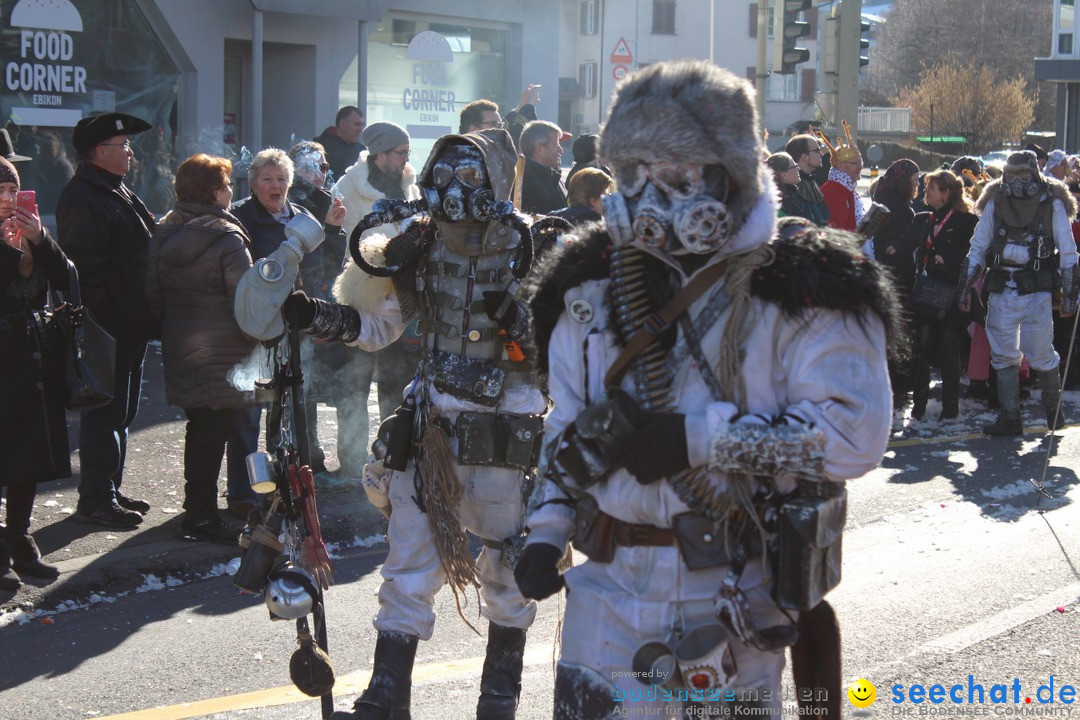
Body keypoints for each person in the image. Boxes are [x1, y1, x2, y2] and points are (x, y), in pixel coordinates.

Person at [515, 60, 898, 718]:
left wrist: (701, 440)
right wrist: (547, 530)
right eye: (634, 169)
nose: (653, 191)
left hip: (731, 593)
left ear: (731, 172)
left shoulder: (803, 288)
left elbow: (853, 438)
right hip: (605, 587)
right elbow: (567, 426)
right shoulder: (585, 287)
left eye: (677, 169)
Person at [278, 128, 546, 720]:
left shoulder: (532, 248)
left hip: (506, 430)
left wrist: (522, 326)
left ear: (495, 182)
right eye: (443, 177)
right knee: (406, 566)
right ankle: (386, 696)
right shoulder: (419, 248)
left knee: (507, 567)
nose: (453, 191)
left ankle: (499, 695)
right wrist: (322, 316)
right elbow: (380, 327)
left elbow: (565, 351)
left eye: (469, 178)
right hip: (431, 429)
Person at [147, 154, 257, 542]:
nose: (231, 191)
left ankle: (197, 508)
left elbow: (153, 295)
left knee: (200, 428)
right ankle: (201, 515)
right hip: (224, 349)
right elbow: (246, 300)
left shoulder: (163, 232)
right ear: (214, 191)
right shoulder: (226, 238)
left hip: (183, 344)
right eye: (227, 185)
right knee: (214, 431)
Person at [229, 148, 345, 513]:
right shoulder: (240, 218)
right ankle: (245, 494)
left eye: (281, 179)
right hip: (255, 331)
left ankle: (289, 485)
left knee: (293, 409)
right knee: (249, 413)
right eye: (267, 179)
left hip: (297, 329)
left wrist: (333, 231)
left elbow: (324, 266)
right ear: (253, 184)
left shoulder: (302, 216)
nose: (275, 186)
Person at [56, 112, 156, 528]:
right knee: (104, 415)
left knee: (122, 414)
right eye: (123, 146)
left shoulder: (113, 188)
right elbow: (86, 270)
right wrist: (109, 324)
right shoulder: (84, 195)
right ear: (100, 152)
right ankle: (95, 498)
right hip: (110, 327)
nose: (130, 152)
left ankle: (108, 488)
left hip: (130, 324)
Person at [959, 150, 1079, 435]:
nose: (1016, 183)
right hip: (1002, 286)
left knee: (1039, 353)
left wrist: (1070, 295)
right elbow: (978, 246)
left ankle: (1053, 411)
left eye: (1022, 177)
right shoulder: (996, 199)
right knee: (1002, 354)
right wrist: (964, 288)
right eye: (1011, 177)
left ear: (1034, 174)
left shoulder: (1052, 201)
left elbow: (1068, 251)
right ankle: (1010, 417)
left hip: (1036, 289)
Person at [330, 122, 422, 486]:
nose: (405, 160)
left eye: (407, 153)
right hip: (358, 296)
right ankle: (351, 462)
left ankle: (390, 457)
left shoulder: (408, 186)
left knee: (397, 382)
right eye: (400, 153)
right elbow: (336, 240)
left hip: (400, 297)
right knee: (354, 383)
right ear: (379, 152)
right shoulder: (346, 189)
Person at [0, 155, 68, 590]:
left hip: (30, 360)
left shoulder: (29, 234)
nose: (8, 200)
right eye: (1, 192)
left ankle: (19, 539)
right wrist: (10, 252)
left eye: (12, 192)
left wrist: (39, 239)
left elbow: (65, 276)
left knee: (26, 459)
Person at [287, 140, 348, 477]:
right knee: (300, 388)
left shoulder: (323, 200)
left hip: (318, 305)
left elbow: (330, 262)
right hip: (298, 305)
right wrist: (328, 226)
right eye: (315, 166)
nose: (322, 173)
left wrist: (335, 228)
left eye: (325, 167)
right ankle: (303, 458)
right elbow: (308, 257)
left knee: (311, 387)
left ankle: (311, 456)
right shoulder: (298, 200)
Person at [908, 169, 978, 420]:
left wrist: (948, 258)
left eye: (931, 189)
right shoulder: (925, 219)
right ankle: (918, 407)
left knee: (949, 352)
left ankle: (950, 408)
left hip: (949, 292)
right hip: (926, 291)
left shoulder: (965, 221)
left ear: (946, 193)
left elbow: (974, 256)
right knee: (921, 350)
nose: (925, 193)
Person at [818, 121, 864, 232]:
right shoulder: (830, 191)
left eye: (861, 162)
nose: (860, 167)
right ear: (841, 166)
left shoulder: (850, 190)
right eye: (855, 163)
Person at [519, 120, 566, 215]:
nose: (561, 150)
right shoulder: (526, 183)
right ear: (539, 148)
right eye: (556, 145)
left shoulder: (553, 176)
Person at [782, 133, 829, 225]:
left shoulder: (811, 181)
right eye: (817, 150)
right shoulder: (792, 187)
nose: (821, 154)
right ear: (804, 156)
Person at [315, 106, 366, 182]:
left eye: (362, 125)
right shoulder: (319, 148)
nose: (360, 129)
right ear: (342, 123)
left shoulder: (362, 151)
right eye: (357, 124)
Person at [766, 151, 801, 217]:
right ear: (784, 175)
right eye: (794, 166)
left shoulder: (789, 196)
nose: (799, 169)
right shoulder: (783, 205)